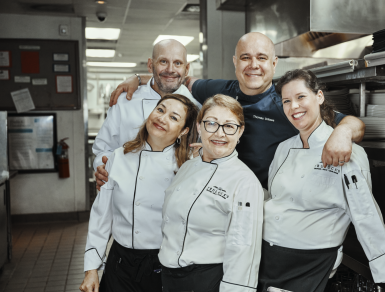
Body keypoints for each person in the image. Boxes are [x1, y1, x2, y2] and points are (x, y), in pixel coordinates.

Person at [254, 69, 385, 292]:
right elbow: (277, 198)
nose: (293, 106)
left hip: (307, 261)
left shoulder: (345, 151)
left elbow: (364, 211)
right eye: (286, 101)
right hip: (266, 254)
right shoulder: (284, 148)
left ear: (319, 97)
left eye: (301, 97)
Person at [107, 32, 365, 189]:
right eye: (245, 58)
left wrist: (342, 133)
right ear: (235, 62)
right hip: (219, 196)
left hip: (267, 201)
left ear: (274, 64)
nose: (253, 65)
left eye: (262, 58)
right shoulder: (219, 89)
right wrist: (141, 78)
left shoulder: (288, 103)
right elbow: (179, 78)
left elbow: (354, 124)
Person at [80, 94, 199, 292]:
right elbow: (101, 218)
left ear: (184, 131)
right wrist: (91, 269)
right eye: (160, 110)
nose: (162, 118)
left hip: (163, 267)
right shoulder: (118, 157)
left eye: (174, 117)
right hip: (120, 265)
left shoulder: (188, 167)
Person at [159, 94, 263, 292]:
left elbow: (243, 253)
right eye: (211, 123)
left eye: (229, 126)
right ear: (199, 126)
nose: (219, 133)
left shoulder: (245, 182)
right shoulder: (188, 167)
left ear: (240, 131)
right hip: (171, 281)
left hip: (208, 286)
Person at [93, 39, 201, 190]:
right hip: (126, 196)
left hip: (175, 196)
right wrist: (103, 169)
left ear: (187, 68)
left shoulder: (197, 106)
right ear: (150, 65)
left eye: (178, 63)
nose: (170, 69)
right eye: (163, 61)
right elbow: (103, 148)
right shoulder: (125, 100)